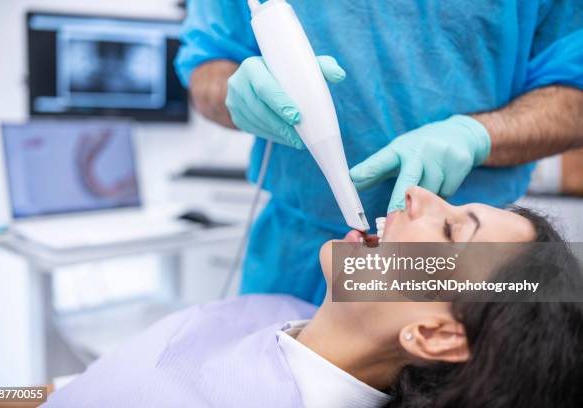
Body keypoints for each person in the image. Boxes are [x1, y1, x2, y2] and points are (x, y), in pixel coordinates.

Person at [176, 0, 583, 304]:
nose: (414, 197)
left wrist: (476, 135)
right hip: (293, 252)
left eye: (454, 226)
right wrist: (235, 92)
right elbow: (207, 63)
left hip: (457, 275)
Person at [44, 187, 583, 407]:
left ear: (436, 334)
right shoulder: (274, 312)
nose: (418, 194)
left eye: (450, 231)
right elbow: (78, 388)